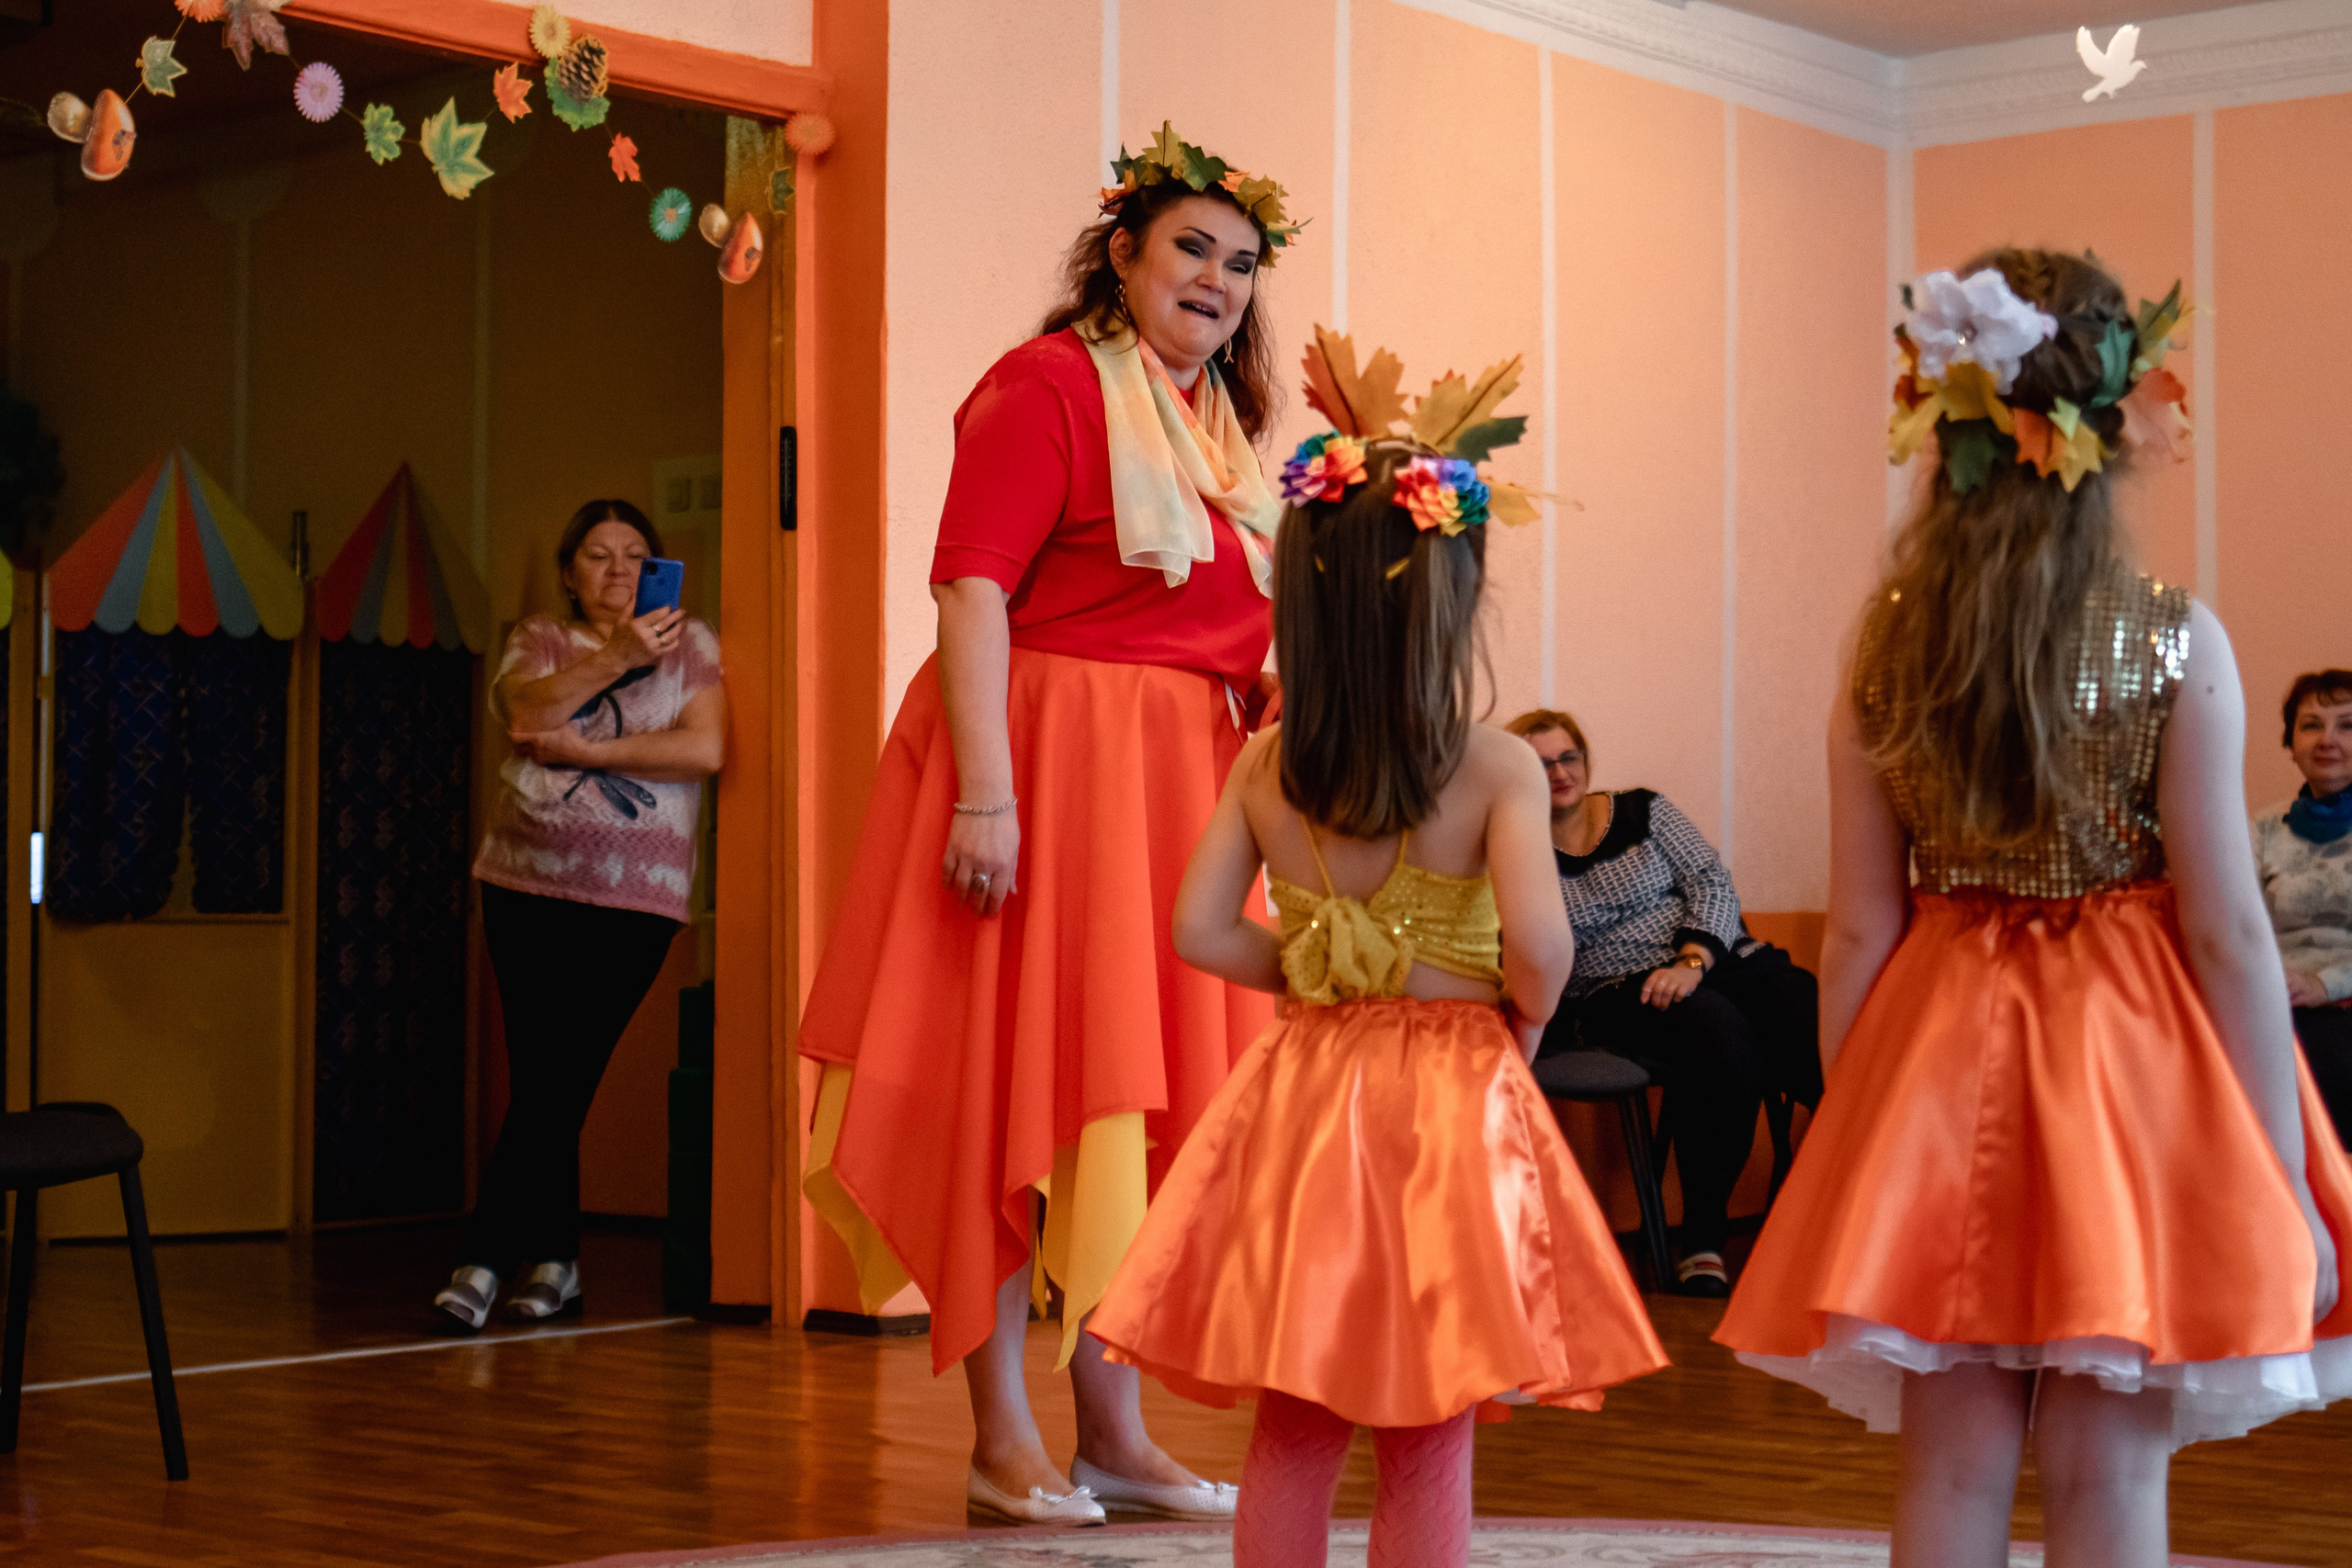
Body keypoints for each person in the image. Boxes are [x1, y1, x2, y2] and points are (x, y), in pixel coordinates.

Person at [1718, 252, 2352, 1564]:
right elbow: (2231, 929)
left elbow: (1854, 927)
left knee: (1950, 1469)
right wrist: (2282, 1167)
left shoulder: (1888, 644)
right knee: (2108, 1468)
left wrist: (1860, 1122)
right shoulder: (2177, 634)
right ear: (2111, 434)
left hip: (1936, 1049)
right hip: (2133, 1064)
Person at [796, 124, 1305, 1526]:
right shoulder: (1044, 386)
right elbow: (972, 591)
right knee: (1009, 1086)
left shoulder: (1220, 434)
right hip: (1041, 766)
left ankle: (1114, 1427)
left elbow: (1227, 618)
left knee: (1125, 1107)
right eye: (1192, 247)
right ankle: (999, 1430)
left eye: (1242, 263)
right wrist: (984, 791)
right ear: (1124, 250)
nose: (1217, 278)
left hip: (1173, 791)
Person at [1090, 342, 1666, 1568]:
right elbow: (1545, 943)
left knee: (1296, 1414)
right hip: (1451, 1099)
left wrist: (1310, 973)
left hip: (1303, 1095)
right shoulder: (1498, 765)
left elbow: (1198, 928)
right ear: (1450, 599)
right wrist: (1521, 1023)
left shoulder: (1265, 764)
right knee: (1428, 1416)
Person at [435, 500, 725, 1331]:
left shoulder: (692, 647)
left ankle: (485, 1254)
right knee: (544, 1079)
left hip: (636, 899)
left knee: (559, 1077)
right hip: (523, 885)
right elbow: (526, 714)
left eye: (635, 556)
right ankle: (556, 1260)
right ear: (570, 571)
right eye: (597, 556)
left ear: (657, 569)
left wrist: (590, 751)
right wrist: (613, 660)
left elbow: (704, 749)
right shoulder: (539, 638)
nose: (617, 571)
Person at [1503, 708, 1820, 1297]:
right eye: (1540, 764)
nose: (1559, 772)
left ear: (1585, 759)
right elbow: (1524, 944)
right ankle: (1703, 1240)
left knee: (1804, 1008)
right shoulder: (1513, 849)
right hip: (1620, 991)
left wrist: (1693, 961)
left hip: (1712, 960)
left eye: (1568, 757)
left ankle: (1831, 1211)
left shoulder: (1642, 809)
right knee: (1725, 1038)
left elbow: (1708, 879)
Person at [2256, 669, 2352, 1146]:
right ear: (2290, 742)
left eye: (2347, 725)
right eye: (2311, 725)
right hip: (2273, 999)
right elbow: (2232, 925)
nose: (2327, 740)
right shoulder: (2261, 829)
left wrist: (2323, 984)